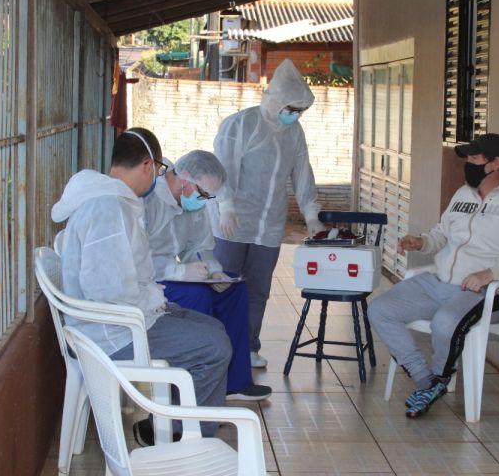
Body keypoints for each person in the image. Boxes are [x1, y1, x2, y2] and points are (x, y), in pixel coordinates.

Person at [51, 127, 231, 444]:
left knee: (213, 329)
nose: (157, 178)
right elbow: (107, 291)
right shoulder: (106, 207)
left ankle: (180, 426)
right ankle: (187, 439)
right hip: (113, 333)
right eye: (160, 170)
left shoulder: (114, 201)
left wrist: (154, 300)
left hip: (126, 317)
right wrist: (151, 303)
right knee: (214, 347)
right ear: (148, 165)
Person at [368, 133, 499, 419]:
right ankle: (427, 381)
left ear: (495, 163)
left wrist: (492, 273)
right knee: (379, 309)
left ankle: (438, 378)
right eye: (467, 159)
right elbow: (442, 234)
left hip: (486, 294)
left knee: (445, 322)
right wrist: (421, 242)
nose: (468, 164)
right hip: (439, 284)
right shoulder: (462, 195)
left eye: (475, 159)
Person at [209, 59, 324, 368]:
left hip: (268, 225)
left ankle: (248, 347)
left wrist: (311, 214)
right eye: (291, 108)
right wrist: (225, 205)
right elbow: (222, 168)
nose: (294, 115)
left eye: (299, 111)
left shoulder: (294, 133)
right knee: (225, 284)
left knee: (258, 289)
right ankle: (218, 349)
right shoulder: (241, 125)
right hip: (232, 222)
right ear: (275, 101)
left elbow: (301, 173)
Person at [144, 150, 272, 401]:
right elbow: (136, 260)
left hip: (174, 276)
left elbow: (201, 247)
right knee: (197, 296)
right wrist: (179, 271)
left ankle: (234, 383)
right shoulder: (148, 200)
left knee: (235, 290)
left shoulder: (191, 203)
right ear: (186, 179)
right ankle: (195, 391)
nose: (203, 201)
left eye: (208, 197)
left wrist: (214, 271)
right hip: (149, 281)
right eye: (203, 194)